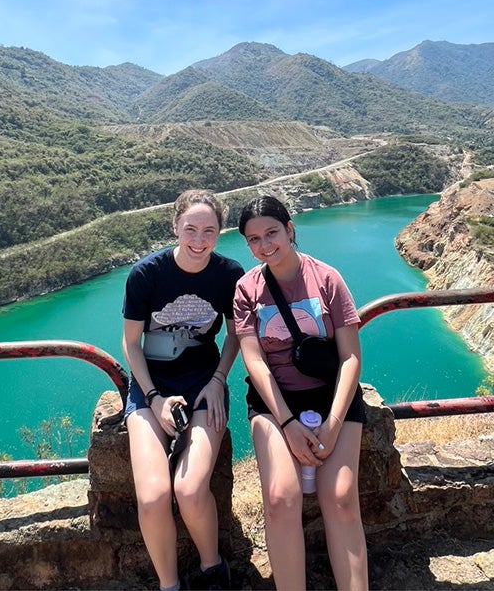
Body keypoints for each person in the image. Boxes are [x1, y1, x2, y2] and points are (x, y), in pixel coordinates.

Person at [233, 195, 368, 591]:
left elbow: (351, 359)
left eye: (272, 232)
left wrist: (332, 424)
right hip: (275, 402)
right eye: (253, 239)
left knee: (341, 498)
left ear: (290, 230)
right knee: (280, 498)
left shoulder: (327, 279)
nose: (264, 245)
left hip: (332, 397)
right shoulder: (247, 289)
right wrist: (288, 423)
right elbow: (254, 362)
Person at [121, 189, 244, 591]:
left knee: (190, 490)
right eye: (190, 229)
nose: (199, 239)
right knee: (154, 497)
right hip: (150, 385)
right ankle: (169, 585)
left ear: (219, 233)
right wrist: (154, 399)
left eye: (209, 230)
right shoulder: (146, 274)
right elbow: (131, 345)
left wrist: (218, 380)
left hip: (203, 382)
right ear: (175, 226)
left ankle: (213, 570)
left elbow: (235, 334)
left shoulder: (228, 274)